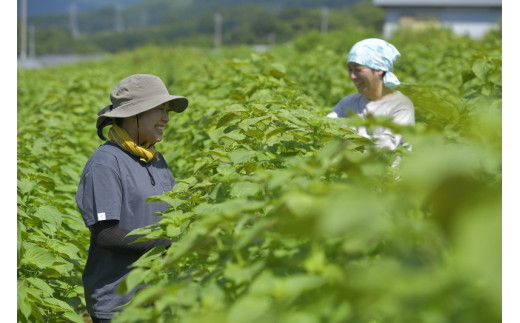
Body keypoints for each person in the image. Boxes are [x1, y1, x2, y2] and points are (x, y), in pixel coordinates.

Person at [75, 74, 189, 322]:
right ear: (133, 114)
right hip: (119, 304)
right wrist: (167, 243)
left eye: (168, 111)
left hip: (157, 297)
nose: (167, 119)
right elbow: (107, 234)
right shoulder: (105, 163)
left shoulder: (155, 159)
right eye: (160, 110)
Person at [328, 38, 415, 151]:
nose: (352, 76)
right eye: (350, 70)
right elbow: (326, 125)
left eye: (358, 70)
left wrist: (352, 138)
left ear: (379, 70)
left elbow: (388, 143)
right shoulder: (348, 103)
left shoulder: (401, 105)